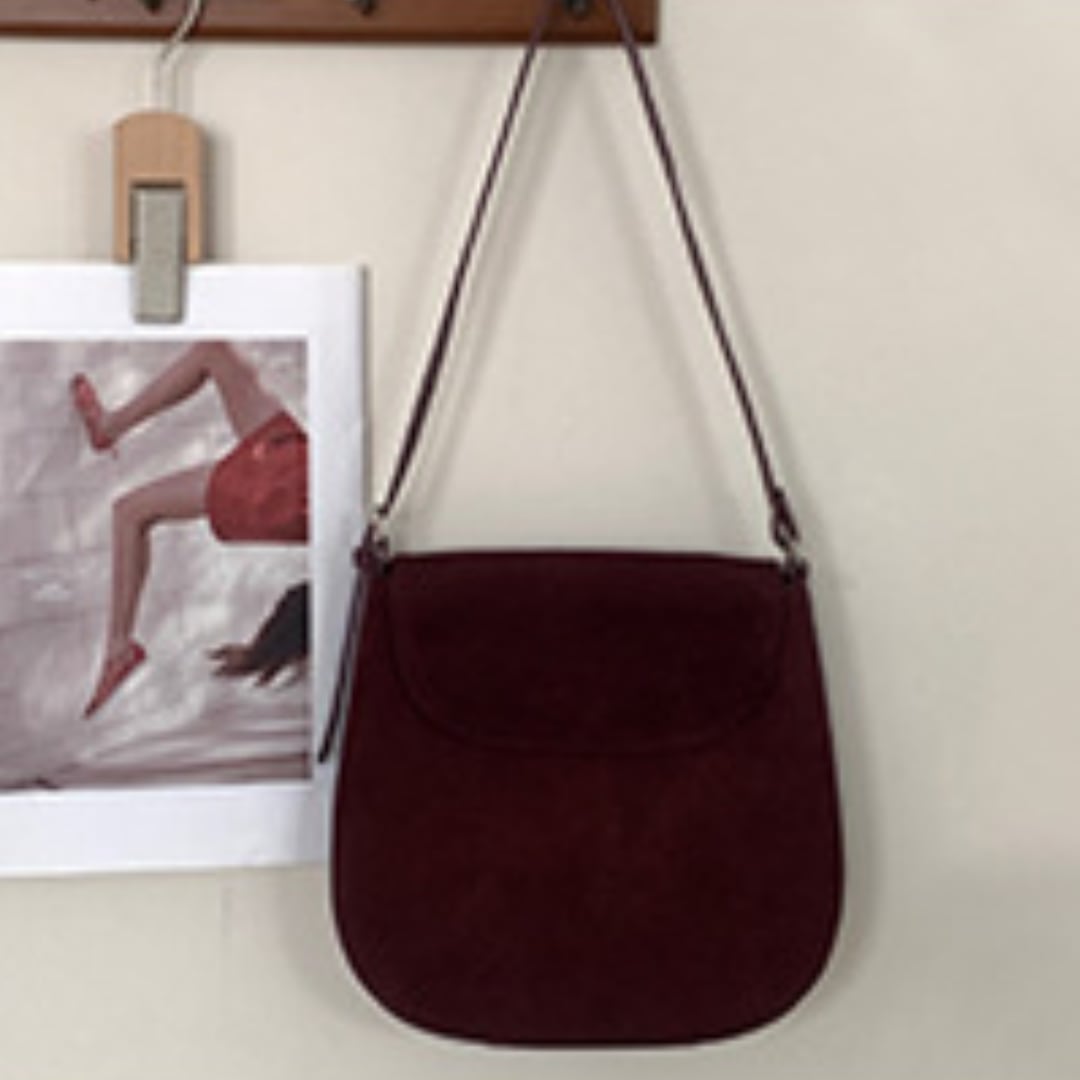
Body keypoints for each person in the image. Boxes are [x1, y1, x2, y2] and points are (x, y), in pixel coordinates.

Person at [71, 340, 308, 717]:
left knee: (129, 511)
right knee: (214, 352)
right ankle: (108, 427)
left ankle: (118, 651)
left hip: (287, 494)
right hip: (298, 461)